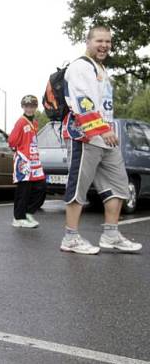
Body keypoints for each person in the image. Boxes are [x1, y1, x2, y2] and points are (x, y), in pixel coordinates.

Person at [60, 26, 141, 254]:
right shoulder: (79, 67)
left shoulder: (101, 69)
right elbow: (82, 101)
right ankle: (70, 238)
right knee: (78, 187)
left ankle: (111, 234)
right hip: (84, 135)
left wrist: (108, 129)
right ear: (88, 41)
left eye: (107, 41)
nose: (104, 45)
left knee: (118, 185)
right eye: (99, 40)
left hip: (105, 137)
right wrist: (101, 128)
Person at [8, 95, 46, 228]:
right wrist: (21, 150)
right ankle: (18, 217)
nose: (29, 109)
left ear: (35, 107)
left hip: (34, 161)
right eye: (27, 106)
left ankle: (29, 212)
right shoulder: (21, 122)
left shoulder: (34, 123)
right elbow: (12, 141)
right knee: (23, 190)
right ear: (23, 107)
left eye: (32, 106)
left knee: (41, 187)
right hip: (24, 160)